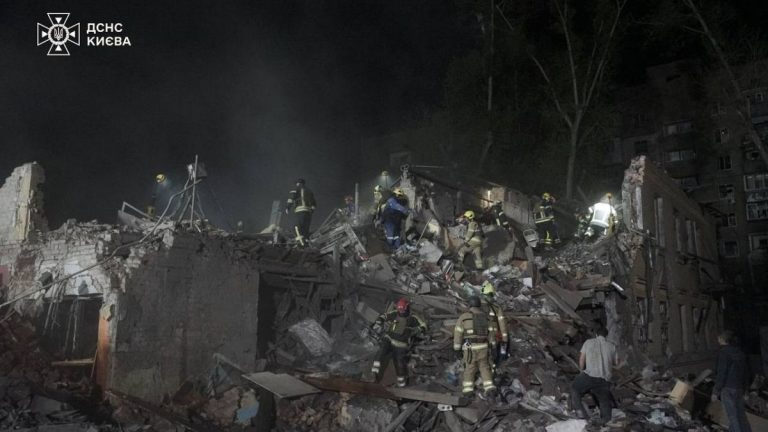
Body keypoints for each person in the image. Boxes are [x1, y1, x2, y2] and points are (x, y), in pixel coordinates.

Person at [370, 298, 428, 387]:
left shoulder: (413, 318)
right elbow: (384, 316)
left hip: (401, 344)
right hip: (389, 338)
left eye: (402, 310)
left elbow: (424, 325)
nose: (401, 312)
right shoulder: (395, 313)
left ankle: (402, 384)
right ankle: (373, 373)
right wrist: (380, 320)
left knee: (399, 364)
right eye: (399, 310)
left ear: (407, 308)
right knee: (381, 352)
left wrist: (418, 329)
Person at [571, 325, 618, 425]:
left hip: (589, 375)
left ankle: (580, 413)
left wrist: (581, 371)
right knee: (604, 400)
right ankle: (606, 420)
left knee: (575, 389)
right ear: (606, 336)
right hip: (604, 378)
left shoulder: (588, 342)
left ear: (596, 334)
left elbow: (582, 359)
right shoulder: (612, 346)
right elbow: (615, 363)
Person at [454, 296, 497, 397]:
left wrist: (457, 349)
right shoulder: (486, 317)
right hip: (483, 347)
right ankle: (489, 387)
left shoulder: (464, 317)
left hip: (470, 347)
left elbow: (458, 334)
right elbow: (491, 334)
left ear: (470, 304)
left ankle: (468, 390)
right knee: (485, 367)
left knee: (470, 368)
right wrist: (494, 346)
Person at [712, 330, 752, 432]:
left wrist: (716, 391)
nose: (717, 339)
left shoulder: (723, 353)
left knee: (732, 416)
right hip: (739, 388)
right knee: (740, 415)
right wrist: (746, 390)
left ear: (722, 339)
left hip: (727, 388)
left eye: (719, 338)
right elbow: (746, 372)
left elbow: (722, 372)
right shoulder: (740, 353)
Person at [481, 280, 509, 363]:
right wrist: (505, 340)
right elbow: (503, 326)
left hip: (478, 336)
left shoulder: (476, 306)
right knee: (493, 356)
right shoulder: (496, 307)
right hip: (493, 336)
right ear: (492, 294)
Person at [285, 179, 316, 246]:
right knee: (305, 229)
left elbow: (291, 199)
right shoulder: (309, 191)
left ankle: (301, 244)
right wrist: (312, 210)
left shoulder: (296, 189)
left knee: (296, 227)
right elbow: (313, 203)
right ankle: (307, 242)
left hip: (300, 211)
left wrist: (287, 207)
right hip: (308, 212)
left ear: (298, 183)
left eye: (296, 183)